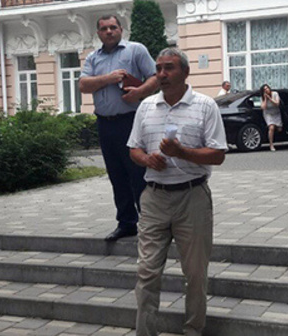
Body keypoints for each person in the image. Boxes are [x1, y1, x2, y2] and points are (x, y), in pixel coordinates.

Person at [127, 48, 227, 336]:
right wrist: (146, 159)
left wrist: (181, 152)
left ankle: (193, 330)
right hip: (154, 197)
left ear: (185, 72)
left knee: (195, 273)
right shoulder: (146, 106)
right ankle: (146, 332)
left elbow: (218, 155)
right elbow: (134, 147)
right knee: (146, 271)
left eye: (169, 68)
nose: (161, 74)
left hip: (192, 197)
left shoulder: (206, 106)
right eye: (158, 68)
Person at [79, 15, 159, 241]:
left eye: (113, 27)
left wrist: (141, 92)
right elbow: (83, 85)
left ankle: (149, 223)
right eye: (104, 28)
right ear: (98, 33)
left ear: (121, 29)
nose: (109, 31)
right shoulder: (93, 58)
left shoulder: (135, 50)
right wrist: (109, 78)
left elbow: (155, 76)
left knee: (137, 173)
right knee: (116, 175)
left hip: (131, 120)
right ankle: (126, 223)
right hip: (105, 123)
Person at [260, 83, 282, 151]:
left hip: (276, 112)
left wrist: (270, 98)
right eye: (264, 89)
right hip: (268, 113)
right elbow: (263, 107)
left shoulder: (275, 94)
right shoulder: (262, 97)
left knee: (279, 129)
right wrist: (266, 99)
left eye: (267, 88)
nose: (266, 90)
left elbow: (277, 103)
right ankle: (271, 144)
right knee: (271, 127)